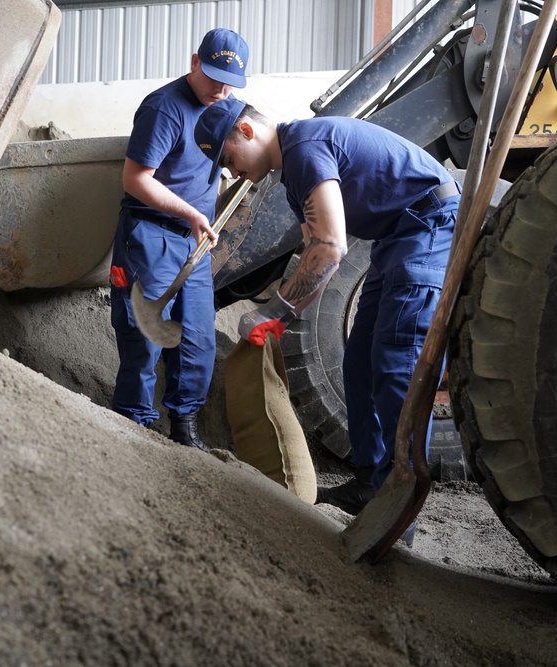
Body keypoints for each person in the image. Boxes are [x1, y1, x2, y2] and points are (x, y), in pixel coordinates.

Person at [194, 100, 459, 541]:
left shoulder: (305, 150)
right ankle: (370, 483)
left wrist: (274, 310)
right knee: (358, 362)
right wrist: (283, 316)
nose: (233, 172)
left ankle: (400, 511)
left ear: (245, 129)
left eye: (228, 159)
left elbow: (331, 248)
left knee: (397, 366)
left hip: (429, 226)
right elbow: (316, 251)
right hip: (398, 234)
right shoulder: (293, 168)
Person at [109, 29, 249, 452]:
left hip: (195, 242)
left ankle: (184, 427)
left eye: (229, 82)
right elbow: (135, 180)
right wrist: (190, 212)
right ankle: (132, 425)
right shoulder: (163, 109)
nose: (220, 89)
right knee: (145, 335)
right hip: (152, 235)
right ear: (193, 62)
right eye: (212, 77)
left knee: (198, 338)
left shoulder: (226, 107)